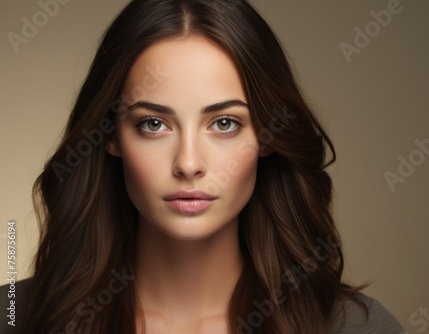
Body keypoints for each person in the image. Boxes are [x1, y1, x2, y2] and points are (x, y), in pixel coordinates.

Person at [1, 0, 404, 333]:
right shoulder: (15, 317)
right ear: (110, 136)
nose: (189, 163)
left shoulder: (355, 327)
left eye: (224, 123)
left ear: (267, 136)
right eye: (154, 124)